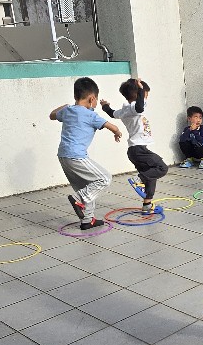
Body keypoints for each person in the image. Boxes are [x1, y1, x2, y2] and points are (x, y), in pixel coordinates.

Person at [49, 76, 122, 230]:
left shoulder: (67, 111)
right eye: (95, 101)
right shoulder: (91, 115)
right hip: (77, 156)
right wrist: (117, 133)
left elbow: (52, 115)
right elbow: (112, 127)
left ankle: (87, 220)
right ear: (92, 98)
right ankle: (78, 198)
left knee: (89, 186)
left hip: (63, 156)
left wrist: (64, 106)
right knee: (104, 178)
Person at [99, 78, 167, 212]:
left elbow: (112, 113)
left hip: (135, 150)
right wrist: (141, 89)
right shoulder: (135, 108)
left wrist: (105, 106)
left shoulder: (125, 110)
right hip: (138, 149)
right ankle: (138, 179)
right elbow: (140, 106)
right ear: (137, 95)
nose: (146, 98)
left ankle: (147, 205)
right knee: (161, 167)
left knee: (150, 176)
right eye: (145, 95)